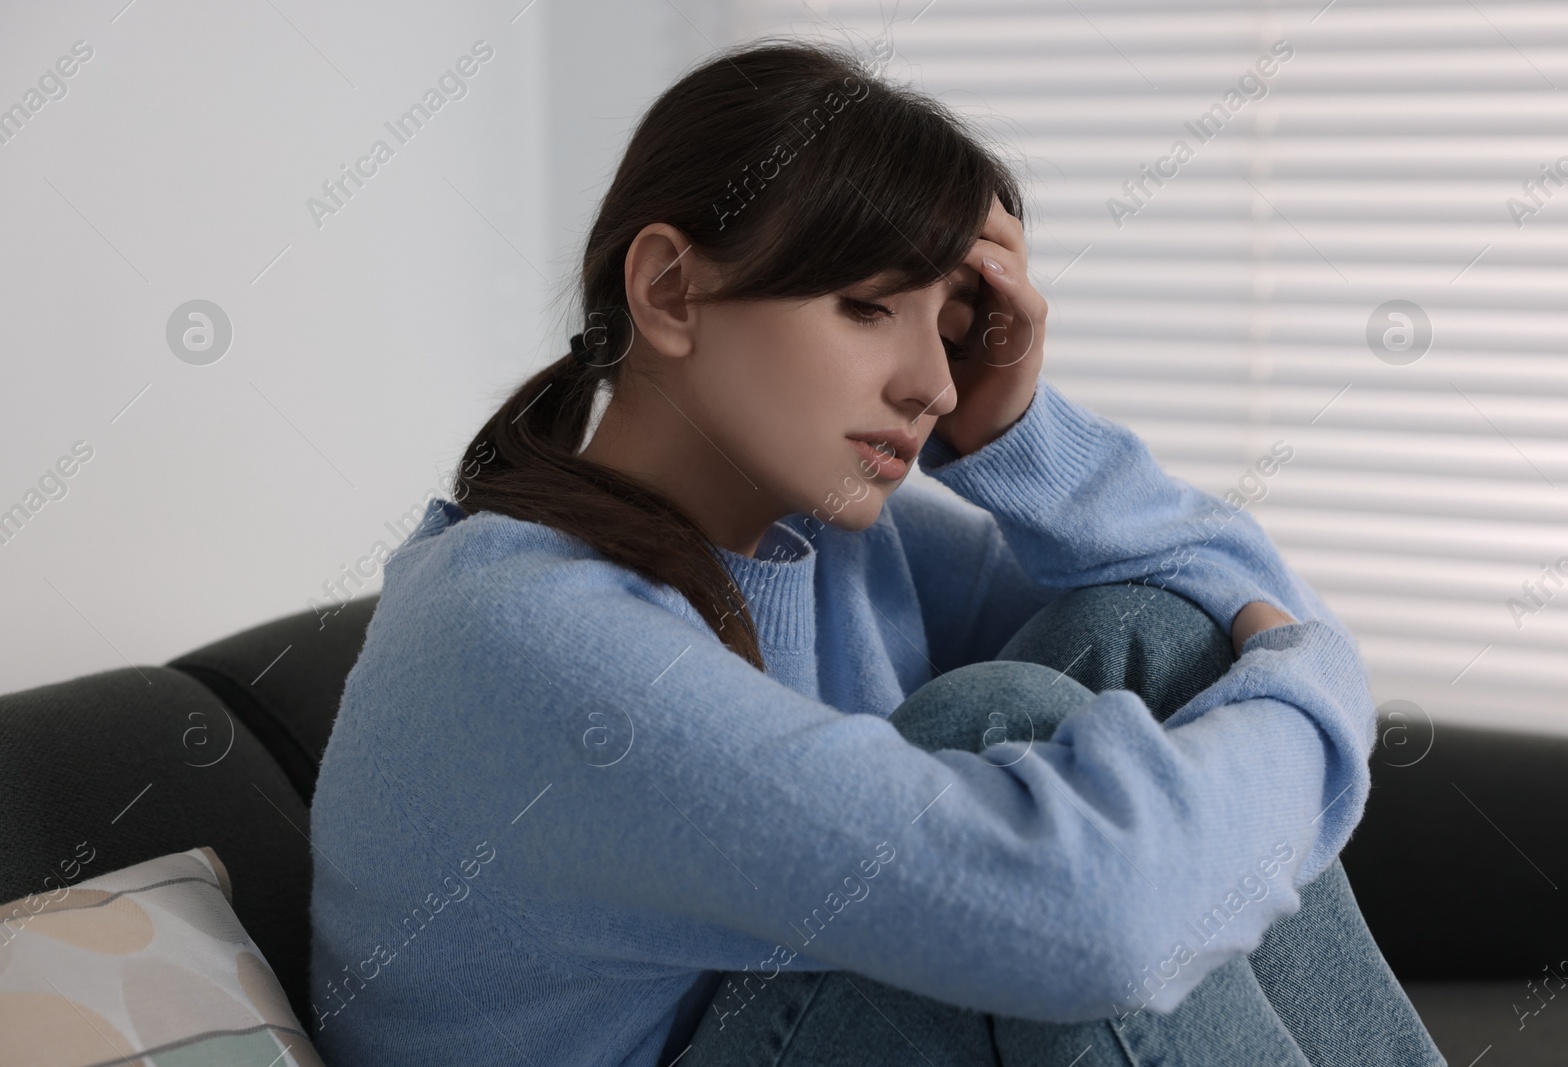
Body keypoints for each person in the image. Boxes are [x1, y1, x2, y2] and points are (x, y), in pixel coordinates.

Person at [307, 35, 1445, 1067]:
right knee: (998, 725)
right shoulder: (521, 632)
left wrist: (1016, 436)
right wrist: (1313, 697)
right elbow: (1093, 916)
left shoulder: (829, 541)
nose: (934, 384)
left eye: (948, 327)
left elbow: (1233, 611)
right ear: (667, 289)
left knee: (1142, 627)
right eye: (866, 306)